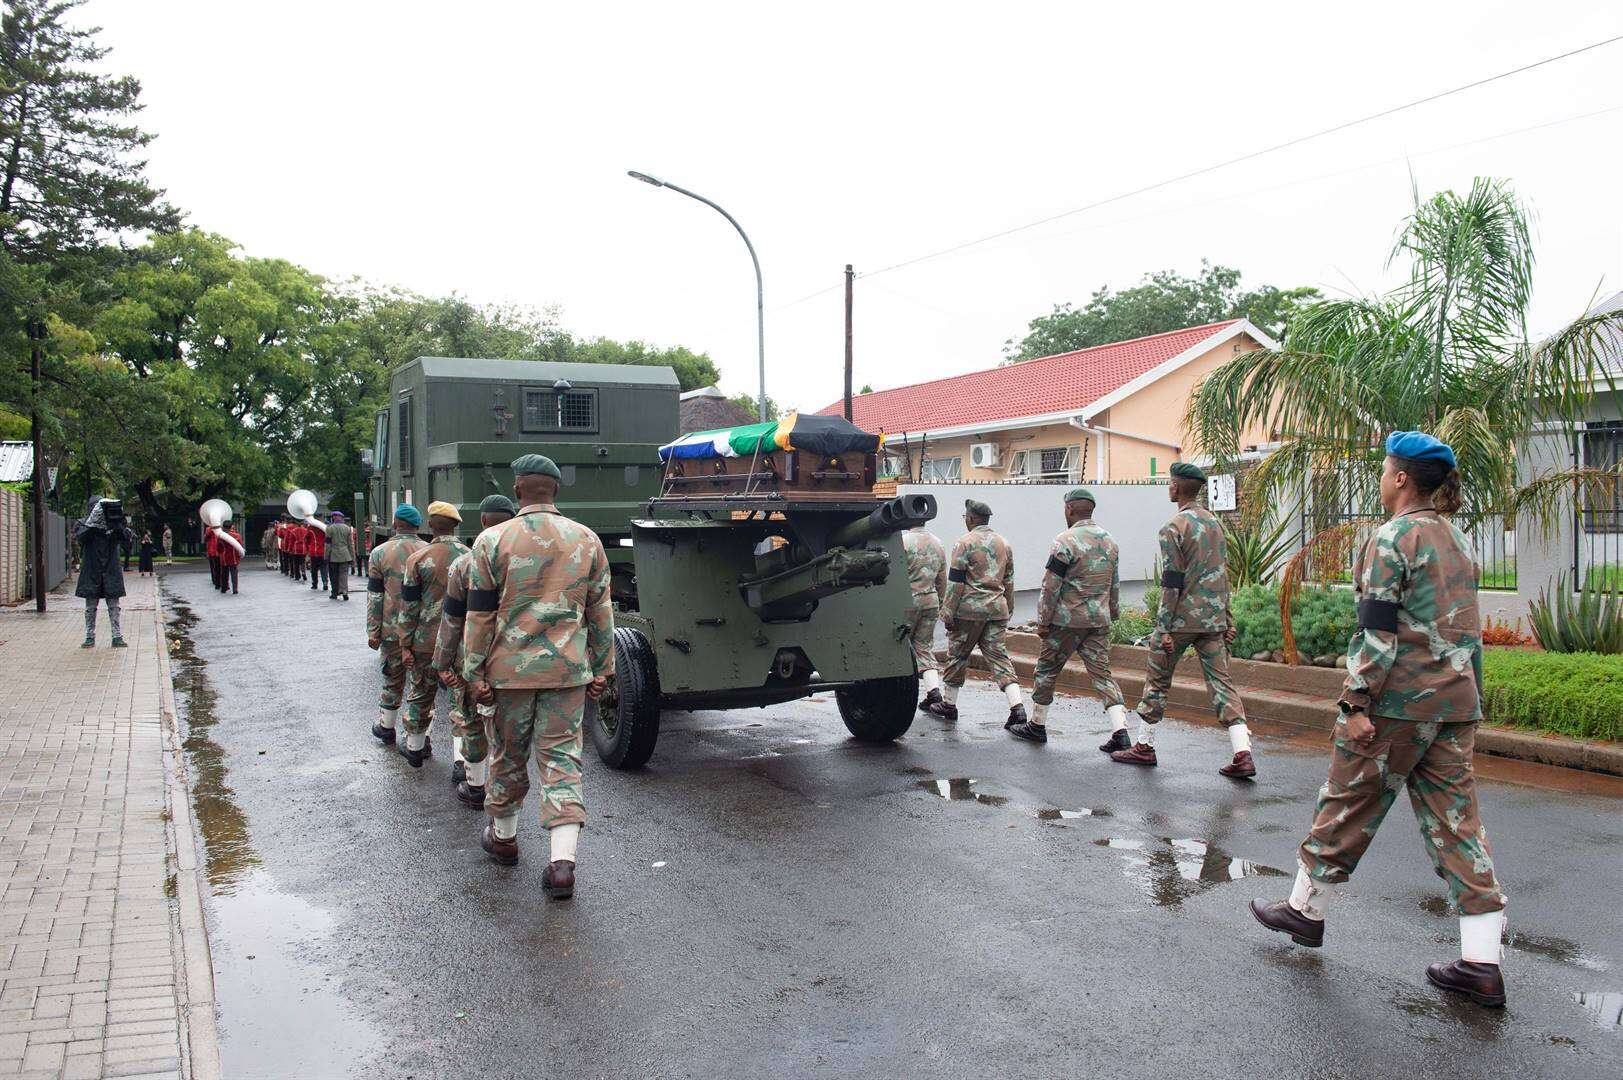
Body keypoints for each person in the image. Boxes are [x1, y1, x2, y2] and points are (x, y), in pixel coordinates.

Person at [1251, 432, 1507, 1006]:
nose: (1381, 477)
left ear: (1399, 479)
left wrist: (1355, 702)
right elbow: (1469, 628)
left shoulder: (1391, 538)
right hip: (1454, 705)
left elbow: (1377, 631)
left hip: (1396, 705)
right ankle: (1481, 964)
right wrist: (1469, 704)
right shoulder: (1458, 539)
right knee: (1458, 826)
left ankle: (1304, 911)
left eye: (1385, 469)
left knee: (1344, 803)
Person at [463, 455, 612, 898]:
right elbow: (601, 614)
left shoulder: (491, 541)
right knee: (562, 761)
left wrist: (473, 670)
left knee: (508, 755)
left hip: (507, 674)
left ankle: (504, 839)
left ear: (517, 490)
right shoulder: (586, 540)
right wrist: (602, 669)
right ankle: (562, 865)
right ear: (557, 490)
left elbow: (480, 614)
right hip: (566, 674)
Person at [1110, 462, 1255, 779]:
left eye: (1170, 483)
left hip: (1181, 621)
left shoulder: (1173, 527)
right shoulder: (1215, 525)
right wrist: (1227, 619)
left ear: (1177, 488)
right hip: (1213, 620)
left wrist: (1162, 628)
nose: (1169, 487)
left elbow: (1171, 582)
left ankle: (1144, 747)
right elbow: (1223, 575)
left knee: (1158, 680)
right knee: (1222, 684)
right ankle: (1242, 753)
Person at [1008, 488, 1126, 745]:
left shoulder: (1064, 541)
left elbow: (1051, 585)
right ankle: (1121, 731)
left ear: (1070, 509)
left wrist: (1043, 620)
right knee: (1102, 674)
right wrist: (1112, 612)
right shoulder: (1110, 542)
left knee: (1047, 671)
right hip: (1098, 621)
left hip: (1066, 621)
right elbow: (1113, 583)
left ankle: (1037, 726)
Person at [435, 495, 516, 807]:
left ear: (483, 521)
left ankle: (475, 785)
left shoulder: (464, 564)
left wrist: (442, 662)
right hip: (513, 659)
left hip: (472, 659)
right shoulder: (524, 559)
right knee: (508, 733)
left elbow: (452, 620)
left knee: (470, 719)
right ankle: (503, 801)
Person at [924, 499, 1025, 727]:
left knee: (957, 657)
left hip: (969, 612)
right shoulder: (1004, 543)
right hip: (996, 610)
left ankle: (949, 705)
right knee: (999, 658)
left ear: (970, 519)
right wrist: (1008, 608)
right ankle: (1017, 708)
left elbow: (956, 582)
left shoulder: (964, 543)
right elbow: (1008, 580)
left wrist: (947, 612)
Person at [396, 502, 471, 766]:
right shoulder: (470, 556)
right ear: (457, 525)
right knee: (461, 702)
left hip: (425, 642)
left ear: (430, 525)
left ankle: (415, 749)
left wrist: (405, 644)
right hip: (461, 643)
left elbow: (409, 607)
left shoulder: (417, 559)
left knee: (420, 693)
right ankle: (463, 765)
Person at [367, 505, 428, 744]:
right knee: (422, 685)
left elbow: (375, 596)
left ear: (394, 523)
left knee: (392, 678)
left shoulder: (380, 553)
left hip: (391, 629)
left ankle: (386, 726)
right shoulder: (428, 551)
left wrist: (373, 631)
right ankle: (420, 738)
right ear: (418, 526)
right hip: (422, 632)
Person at [74, 497, 135, 648]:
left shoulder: (114, 523)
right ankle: (89, 636)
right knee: (90, 605)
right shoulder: (83, 523)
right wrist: (93, 524)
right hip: (91, 569)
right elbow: (80, 537)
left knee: (114, 604)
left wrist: (118, 525)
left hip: (111, 569)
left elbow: (127, 540)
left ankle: (117, 636)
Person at [904, 523, 947, 713]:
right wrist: (941, 600)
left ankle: (899, 695)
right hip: (931, 600)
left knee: (900, 646)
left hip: (907, 601)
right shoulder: (937, 543)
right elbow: (942, 577)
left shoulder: (903, 542)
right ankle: (933, 692)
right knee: (923, 647)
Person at [325, 511, 355, 599]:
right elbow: (350, 544)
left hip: (333, 555)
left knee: (333, 575)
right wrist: (353, 558)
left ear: (334, 517)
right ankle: (345, 591)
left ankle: (335, 593)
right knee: (344, 574)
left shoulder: (329, 528)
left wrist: (326, 556)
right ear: (341, 518)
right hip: (345, 555)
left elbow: (328, 544)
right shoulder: (347, 528)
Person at [217, 522, 243, 594]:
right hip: (233, 557)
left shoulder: (220, 536)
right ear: (231, 526)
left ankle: (224, 588)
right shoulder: (237, 535)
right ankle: (235, 589)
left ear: (223, 527)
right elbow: (240, 546)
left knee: (224, 574)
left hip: (224, 557)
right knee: (234, 574)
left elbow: (219, 547)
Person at [307, 514, 328, 592]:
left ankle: (314, 584)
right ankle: (325, 582)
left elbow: (307, 538)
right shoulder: (325, 527)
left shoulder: (310, 527)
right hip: (323, 551)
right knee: (324, 568)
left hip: (314, 551)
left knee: (314, 569)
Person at [204, 523, 221, 590]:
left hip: (219, 551)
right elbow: (205, 538)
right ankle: (214, 580)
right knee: (213, 566)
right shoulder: (208, 529)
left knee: (218, 567)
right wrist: (211, 529)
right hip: (212, 550)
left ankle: (218, 581)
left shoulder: (221, 528)